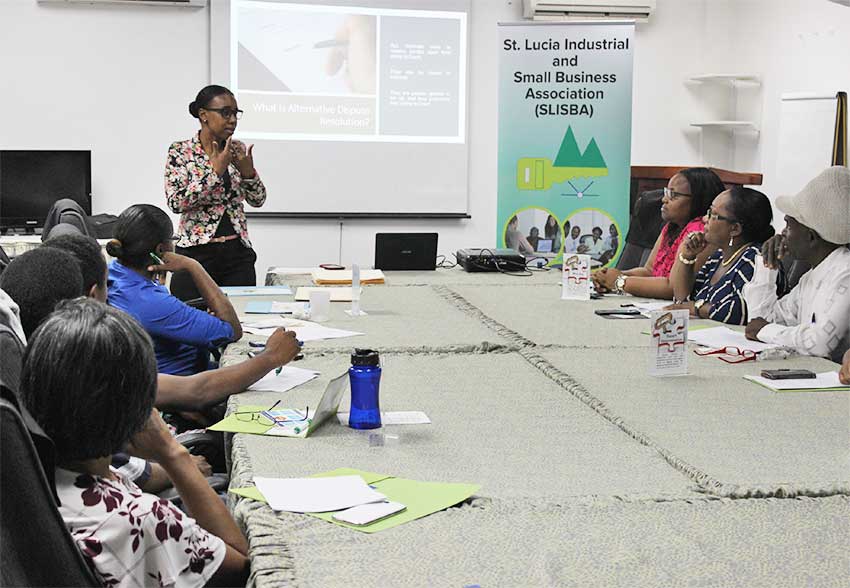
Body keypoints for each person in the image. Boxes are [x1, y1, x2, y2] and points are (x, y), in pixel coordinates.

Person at [18, 298, 250, 587]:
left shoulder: (21, 477)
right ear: (138, 411)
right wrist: (172, 454)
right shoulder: (141, 519)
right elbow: (241, 566)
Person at [45, 232, 300, 411]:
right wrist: (271, 357)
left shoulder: (45, 349)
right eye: (106, 287)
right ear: (92, 295)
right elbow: (197, 392)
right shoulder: (98, 358)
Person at [106, 205, 242, 376]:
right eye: (173, 239)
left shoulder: (110, 272)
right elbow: (233, 329)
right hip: (185, 387)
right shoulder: (151, 302)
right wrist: (193, 265)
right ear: (161, 249)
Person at [166, 85, 267, 302]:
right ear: (203, 115)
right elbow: (176, 201)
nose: (232, 119)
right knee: (190, 318)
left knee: (241, 320)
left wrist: (248, 173)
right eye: (225, 113)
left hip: (237, 255)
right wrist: (215, 172)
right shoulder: (181, 151)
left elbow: (258, 200)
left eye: (235, 113)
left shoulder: (237, 149)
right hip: (196, 254)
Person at [744, 166, 850, 362]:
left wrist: (766, 330)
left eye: (788, 225)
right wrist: (766, 265)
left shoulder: (845, 272)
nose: (782, 233)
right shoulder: (811, 276)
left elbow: (820, 344)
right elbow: (759, 321)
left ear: (811, 237)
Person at [593, 167, 724, 298]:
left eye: (673, 195)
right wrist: (609, 277)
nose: (664, 199)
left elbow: (671, 287)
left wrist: (620, 282)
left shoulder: (699, 233)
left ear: (698, 200)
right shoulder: (672, 226)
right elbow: (649, 271)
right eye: (666, 192)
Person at [666, 186, 774, 324]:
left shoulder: (756, 260)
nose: (705, 219)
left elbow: (739, 312)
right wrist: (688, 256)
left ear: (735, 229)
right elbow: (682, 298)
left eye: (713, 214)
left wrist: (697, 308)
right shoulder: (718, 257)